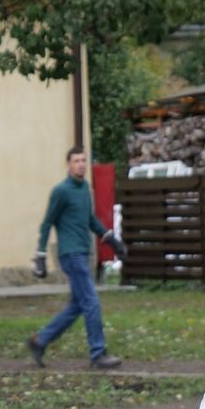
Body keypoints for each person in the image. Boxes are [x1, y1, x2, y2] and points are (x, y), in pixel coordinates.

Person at [26, 145, 125, 370]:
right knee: (91, 301)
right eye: (76, 161)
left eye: (83, 160)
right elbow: (47, 223)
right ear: (68, 164)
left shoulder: (84, 189)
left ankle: (39, 341)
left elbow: (89, 219)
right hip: (70, 254)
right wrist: (40, 255)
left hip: (82, 252)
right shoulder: (61, 191)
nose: (80, 164)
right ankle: (98, 354)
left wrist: (110, 238)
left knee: (77, 306)